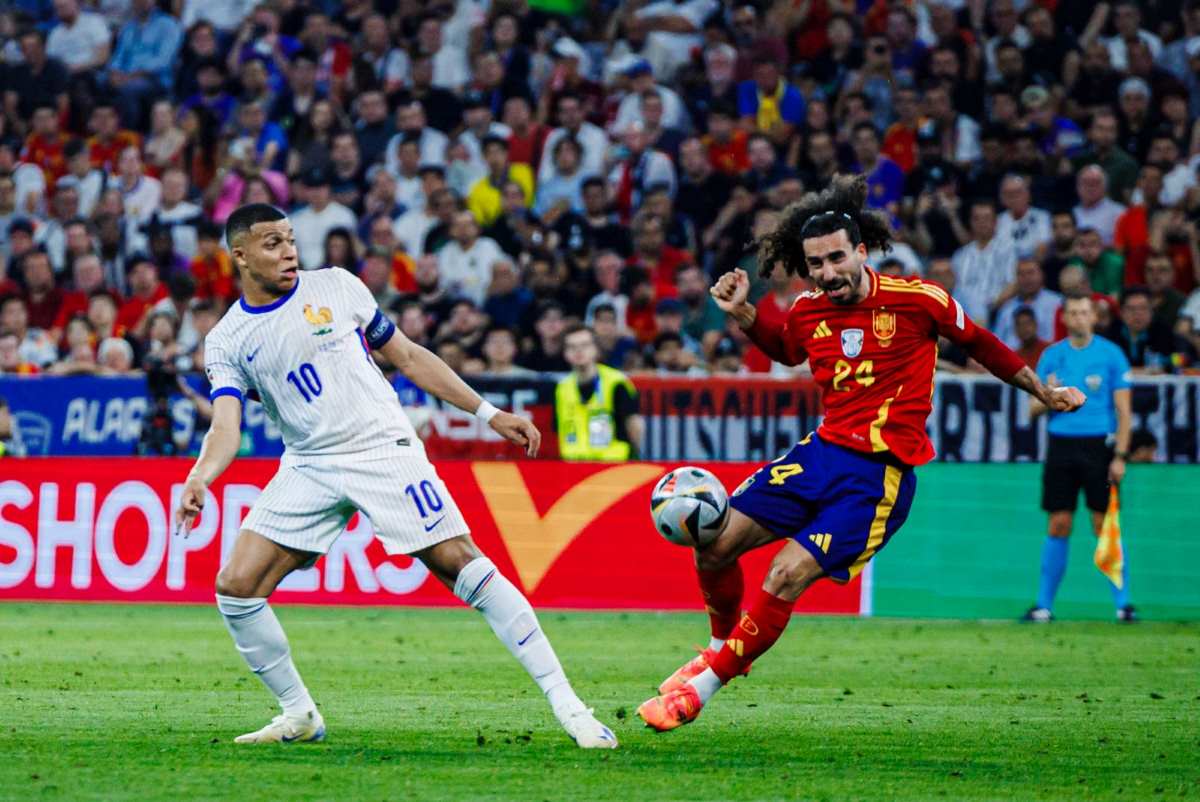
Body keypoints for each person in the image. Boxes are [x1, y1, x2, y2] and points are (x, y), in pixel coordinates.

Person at [636, 175, 1085, 731]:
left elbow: (980, 346)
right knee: (713, 543)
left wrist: (1041, 389)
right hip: (819, 455)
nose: (827, 273)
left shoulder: (919, 301)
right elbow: (789, 349)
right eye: (815, 264)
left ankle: (701, 689)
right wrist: (746, 314)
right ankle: (722, 646)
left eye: (835, 259)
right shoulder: (809, 309)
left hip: (877, 477)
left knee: (783, 575)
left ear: (862, 251)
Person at [175, 204, 616, 748]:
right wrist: (201, 476)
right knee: (236, 587)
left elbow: (406, 355)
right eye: (272, 243)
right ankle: (299, 714)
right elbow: (225, 423)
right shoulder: (227, 338)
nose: (288, 251)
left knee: (461, 563)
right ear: (239, 255)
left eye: (290, 239)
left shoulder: (337, 286)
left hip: (382, 447)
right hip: (310, 463)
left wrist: (488, 413)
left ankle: (569, 705)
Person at [1024, 293, 1134, 623]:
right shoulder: (1052, 357)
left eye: (1084, 312)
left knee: (1104, 523)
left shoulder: (1112, 355)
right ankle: (1044, 606)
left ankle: (1123, 605)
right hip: (1061, 445)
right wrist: (1049, 393)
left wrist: (1121, 456)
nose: (1079, 318)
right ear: (1065, 318)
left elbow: (1124, 412)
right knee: (1059, 523)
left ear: (1094, 317)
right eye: (1072, 313)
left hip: (1099, 446)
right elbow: (1031, 409)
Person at [555, 324, 643, 461]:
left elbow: (634, 426)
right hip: (572, 467)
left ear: (595, 349)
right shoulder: (562, 388)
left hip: (612, 466)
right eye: (572, 347)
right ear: (564, 353)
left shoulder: (617, 383)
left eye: (585, 345)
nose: (578, 351)